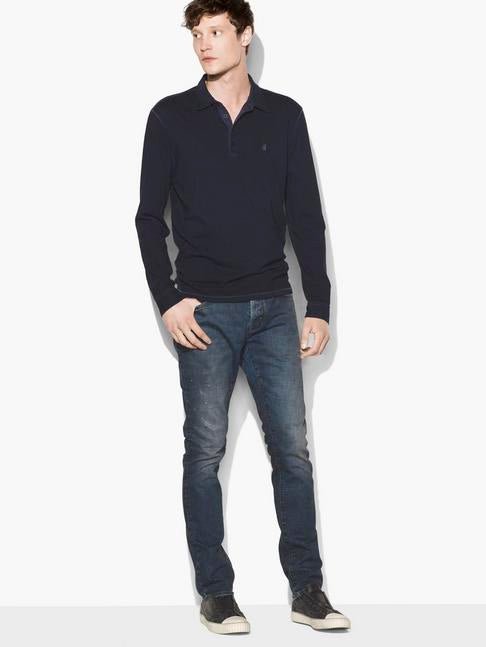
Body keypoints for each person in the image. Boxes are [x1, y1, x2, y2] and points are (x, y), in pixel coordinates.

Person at [135, 0, 350, 634]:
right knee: (204, 454)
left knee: (293, 453)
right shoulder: (170, 117)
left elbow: (306, 215)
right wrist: (168, 299)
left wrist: (319, 305)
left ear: (245, 35)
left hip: (274, 310)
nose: (204, 43)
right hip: (203, 312)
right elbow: (148, 218)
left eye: (216, 31)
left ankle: (307, 591)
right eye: (196, 34)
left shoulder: (284, 116)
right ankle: (215, 594)